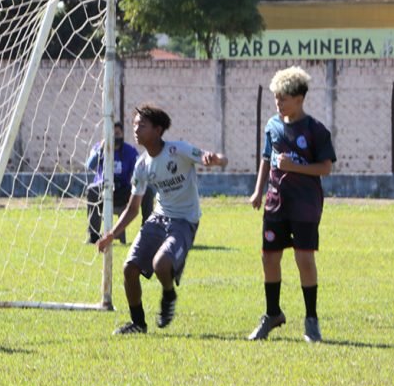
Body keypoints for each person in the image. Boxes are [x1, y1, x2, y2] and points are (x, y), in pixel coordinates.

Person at [97, 104, 228, 335]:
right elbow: (133, 208)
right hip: (158, 218)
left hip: (184, 221)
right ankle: (138, 323)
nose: (136, 129)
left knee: (161, 265)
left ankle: (169, 294)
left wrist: (214, 159)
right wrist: (111, 235)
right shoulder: (142, 164)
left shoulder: (179, 150)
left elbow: (222, 159)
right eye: (134, 125)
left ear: (158, 130)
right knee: (129, 269)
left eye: (142, 125)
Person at [247, 66, 336, 343]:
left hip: (305, 206)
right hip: (276, 203)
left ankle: (311, 320)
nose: (278, 102)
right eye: (276, 98)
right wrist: (258, 190)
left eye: (283, 98)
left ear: (299, 99)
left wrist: (296, 168)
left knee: (304, 260)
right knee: (269, 257)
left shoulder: (315, 130)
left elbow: (325, 168)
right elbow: (265, 159)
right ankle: (272, 313)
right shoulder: (272, 126)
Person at [85, 122, 153, 244]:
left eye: (118, 134)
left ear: (122, 135)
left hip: (124, 189)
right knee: (91, 189)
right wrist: (101, 149)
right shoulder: (98, 148)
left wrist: (136, 182)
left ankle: (148, 233)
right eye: (112, 134)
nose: (115, 137)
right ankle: (94, 236)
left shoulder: (130, 151)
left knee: (147, 190)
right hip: (103, 189)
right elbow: (89, 165)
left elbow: (139, 171)